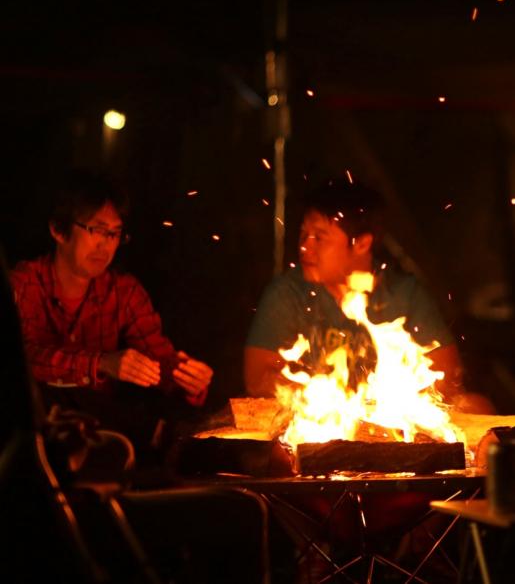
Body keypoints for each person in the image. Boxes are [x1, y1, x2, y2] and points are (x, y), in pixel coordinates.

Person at [9, 171, 214, 459]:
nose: (105, 245)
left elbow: (159, 363)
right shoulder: (24, 283)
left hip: (99, 437)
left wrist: (187, 378)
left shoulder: (123, 292)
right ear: (58, 230)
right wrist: (101, 364)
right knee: (45, 398)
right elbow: (20, 362)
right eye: (96, 229)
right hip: (31, 436)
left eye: (115, 234)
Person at [245, 177, 490, 413]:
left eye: (319, 238)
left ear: (361, 243)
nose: (305, 247)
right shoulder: (288, 292)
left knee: (476, 407)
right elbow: (257, 380)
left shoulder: (404, 295)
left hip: (387, 419)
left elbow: (446, 377)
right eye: (303, 235)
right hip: (314, 420)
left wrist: (378, 405)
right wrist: (329, 400)